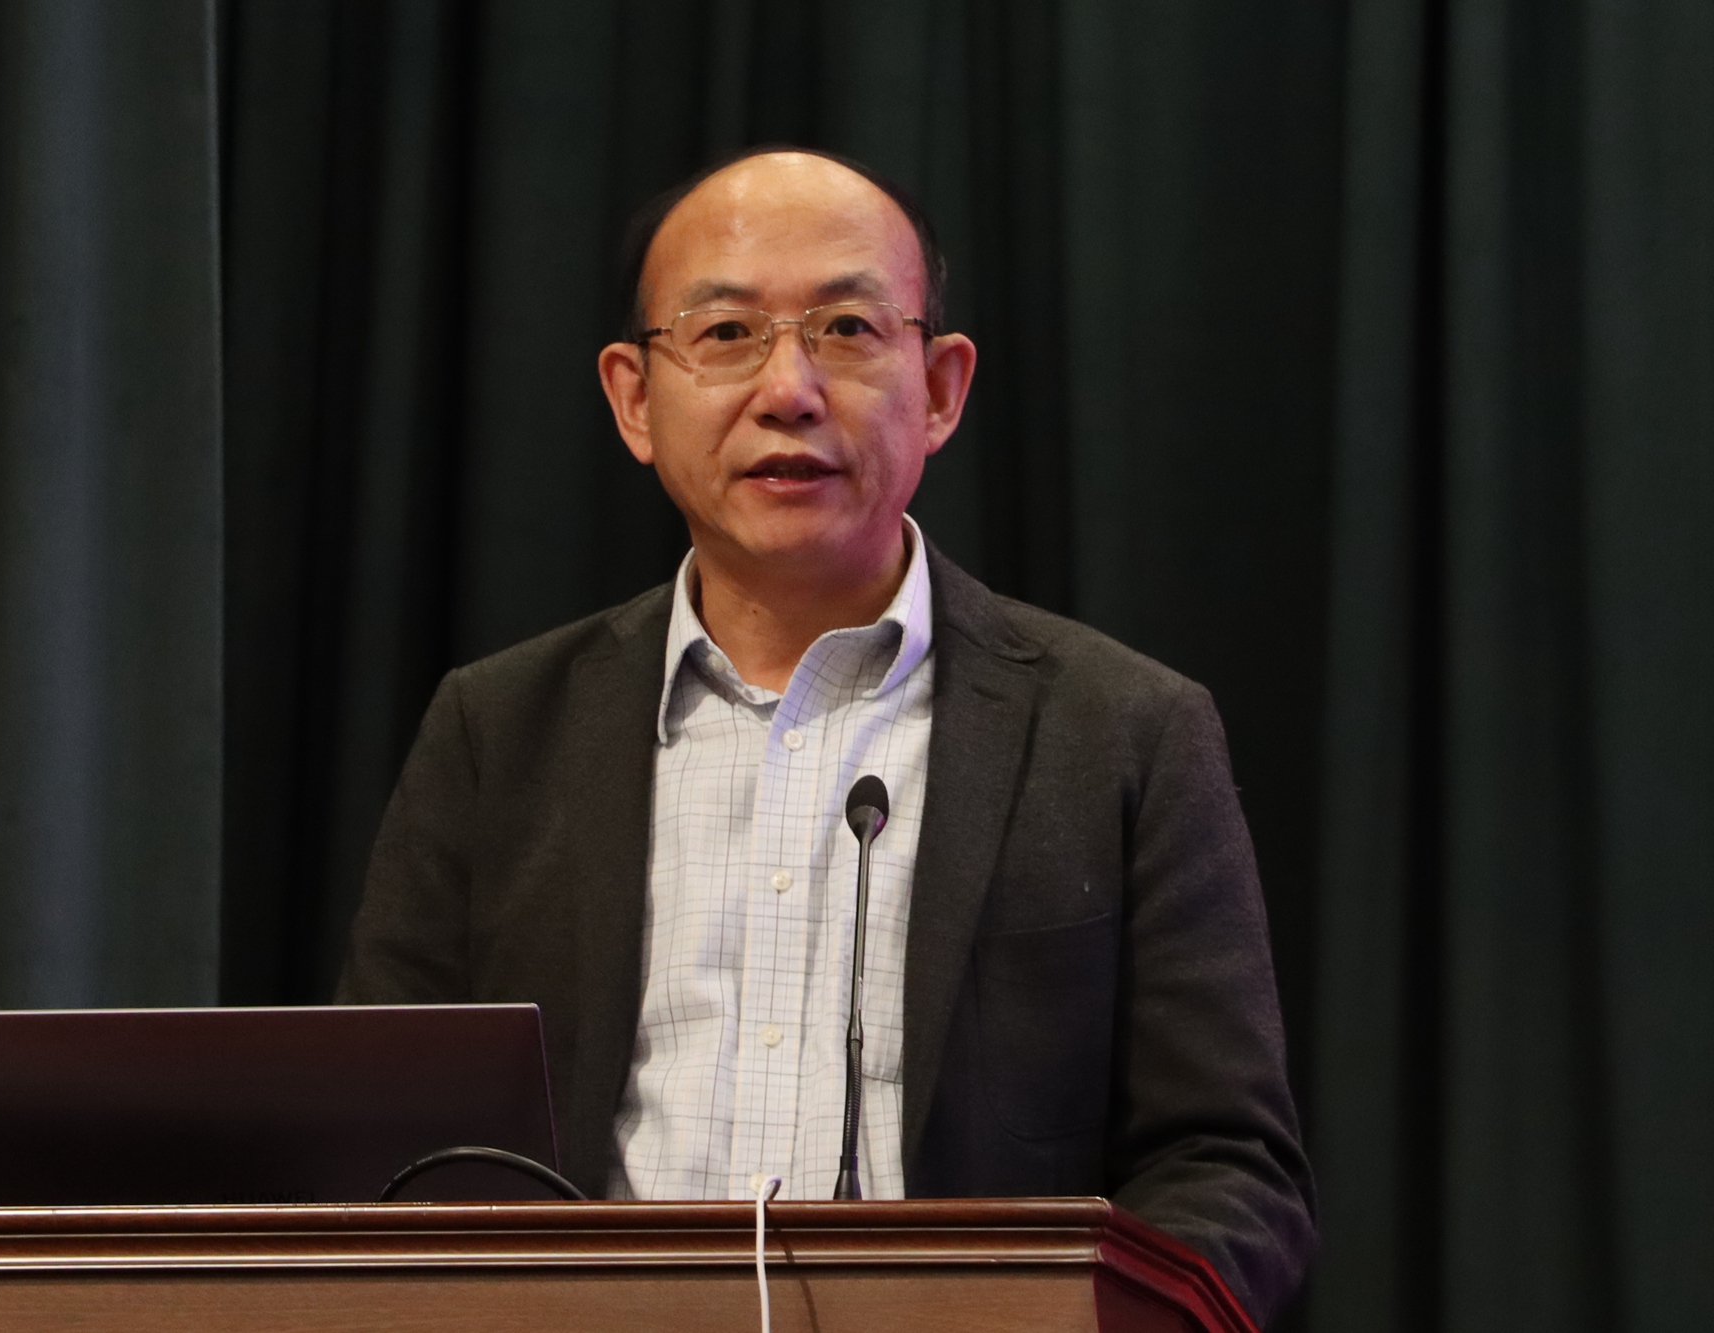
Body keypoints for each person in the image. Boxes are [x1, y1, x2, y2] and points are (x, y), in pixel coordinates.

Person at [338, 148, 1316, 1325]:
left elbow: (1225, 1171)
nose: (787, 389)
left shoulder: (1123, 731)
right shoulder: (496, 731)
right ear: (633, 399)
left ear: (940, 388)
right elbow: (381, 1150)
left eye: (846, 329)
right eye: (725, 334)